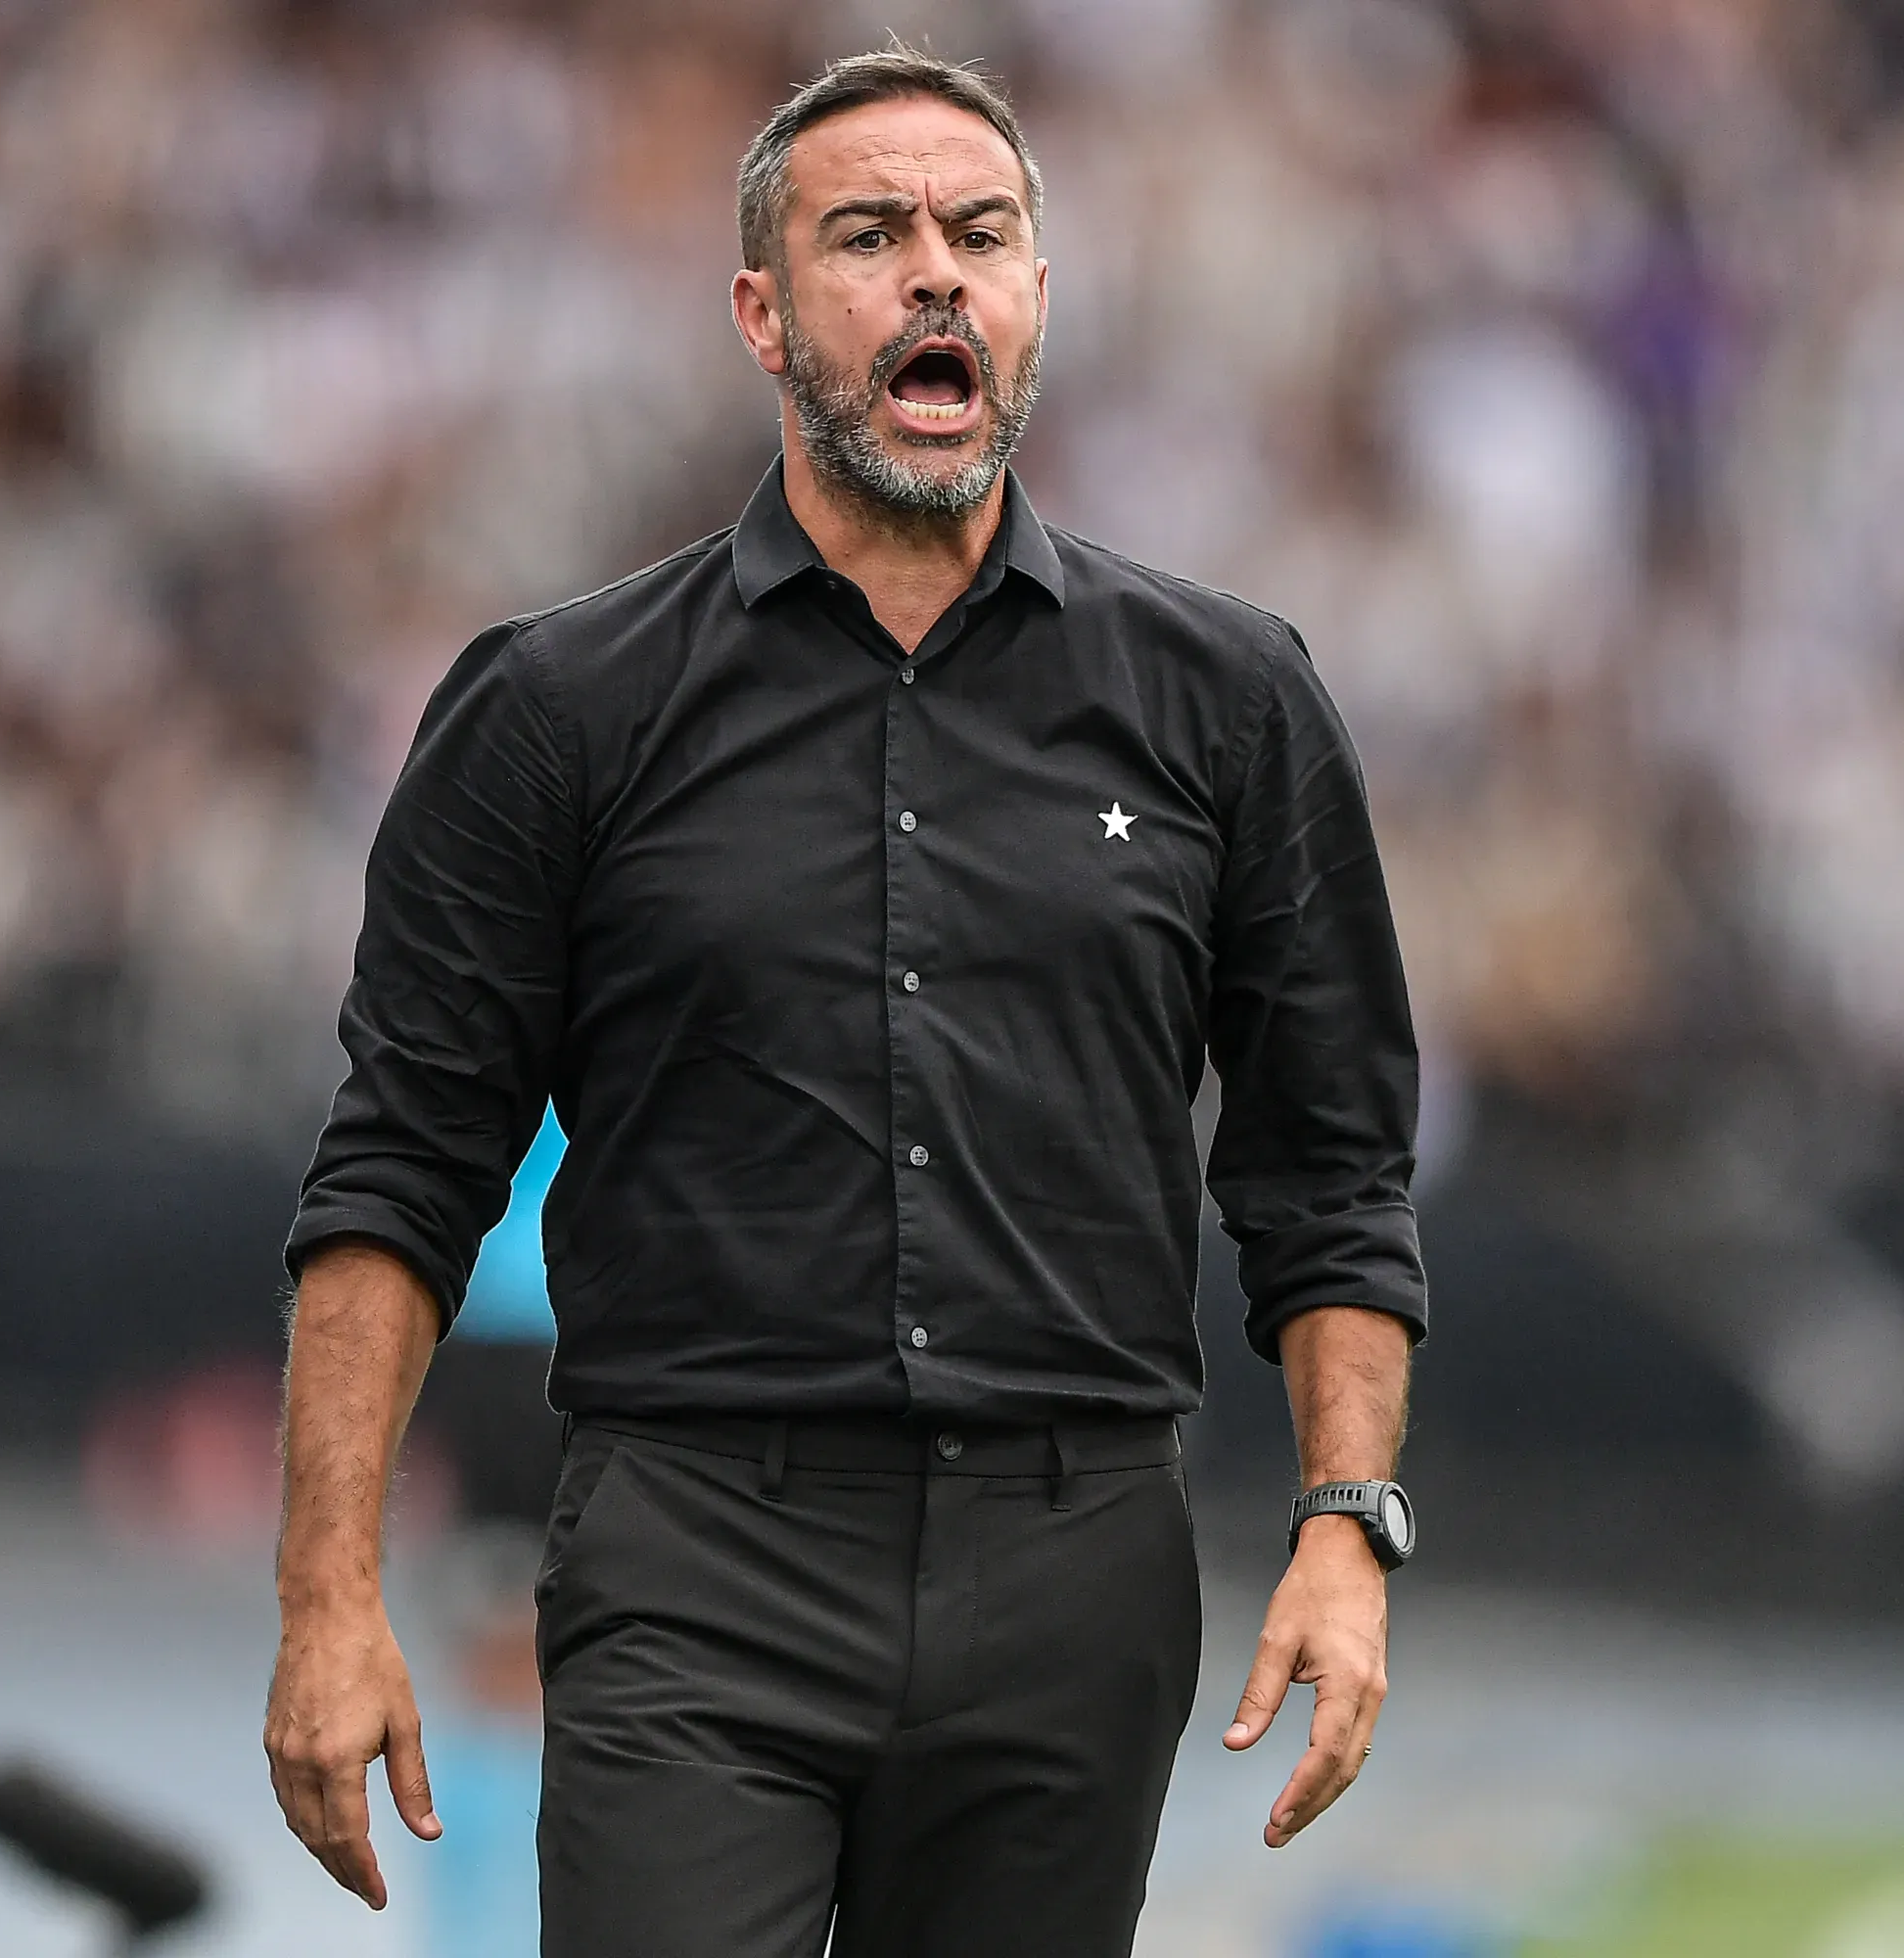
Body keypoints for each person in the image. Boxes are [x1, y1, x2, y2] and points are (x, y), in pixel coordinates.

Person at [263, 46, 1426, 1958]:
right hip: (694, 1553)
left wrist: (1346, 1523)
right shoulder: (559, 709)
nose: (934, 272)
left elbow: (1333, 1174)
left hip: (1074, 1567)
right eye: (869, 235)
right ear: (764, 311)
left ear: (1038, 291)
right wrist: (328, 1594)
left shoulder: (1229, 702)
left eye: (982, 232)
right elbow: (397, 1174)